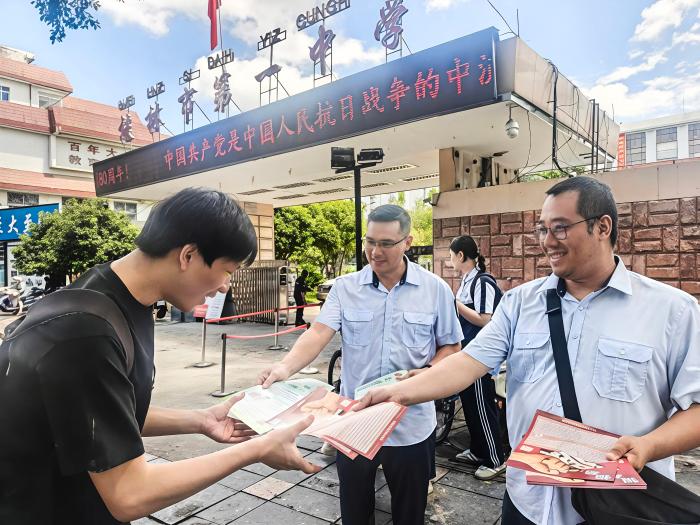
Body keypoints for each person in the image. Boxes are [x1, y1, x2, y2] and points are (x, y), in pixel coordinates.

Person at [354, 177, 700, 525]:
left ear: (602, 227)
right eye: (542, 229)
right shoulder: (521, 303)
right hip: (528, 502)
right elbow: (467, 362)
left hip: (617, 507)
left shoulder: (671, 311)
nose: (547, 241)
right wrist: (396, 393)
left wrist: (649, 446)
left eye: (560, 228)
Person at [0, 188, 320, 525]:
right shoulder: (85, 331)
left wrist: (201, 420)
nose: (226, 286)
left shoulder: (116, 295)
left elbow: (104, 413)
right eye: (228, 270)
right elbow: (130, 494)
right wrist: (256, 450)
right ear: (188, 256)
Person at [258, 204, 463, 525]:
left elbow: (451, 346)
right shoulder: (345, 288)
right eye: (370, 241)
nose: (375, 252)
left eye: (386, 243)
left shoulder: (434, 289)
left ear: (407, 242)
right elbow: (318, 333)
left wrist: (426, 373)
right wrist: (284, 367)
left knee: (410, 513)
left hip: (410, 422)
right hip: (355, 420)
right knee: (354, 512)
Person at [449, 235, 506, 480]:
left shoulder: (483, 282)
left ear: (461, 255)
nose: (450, 260)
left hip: (481, 358)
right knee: (471, 405)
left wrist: (456, 304)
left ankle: (496, 459)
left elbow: (485, 320)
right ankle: (477, 450)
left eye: (451, 255)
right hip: (467, 355)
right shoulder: (467, 281)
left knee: (483, 407)